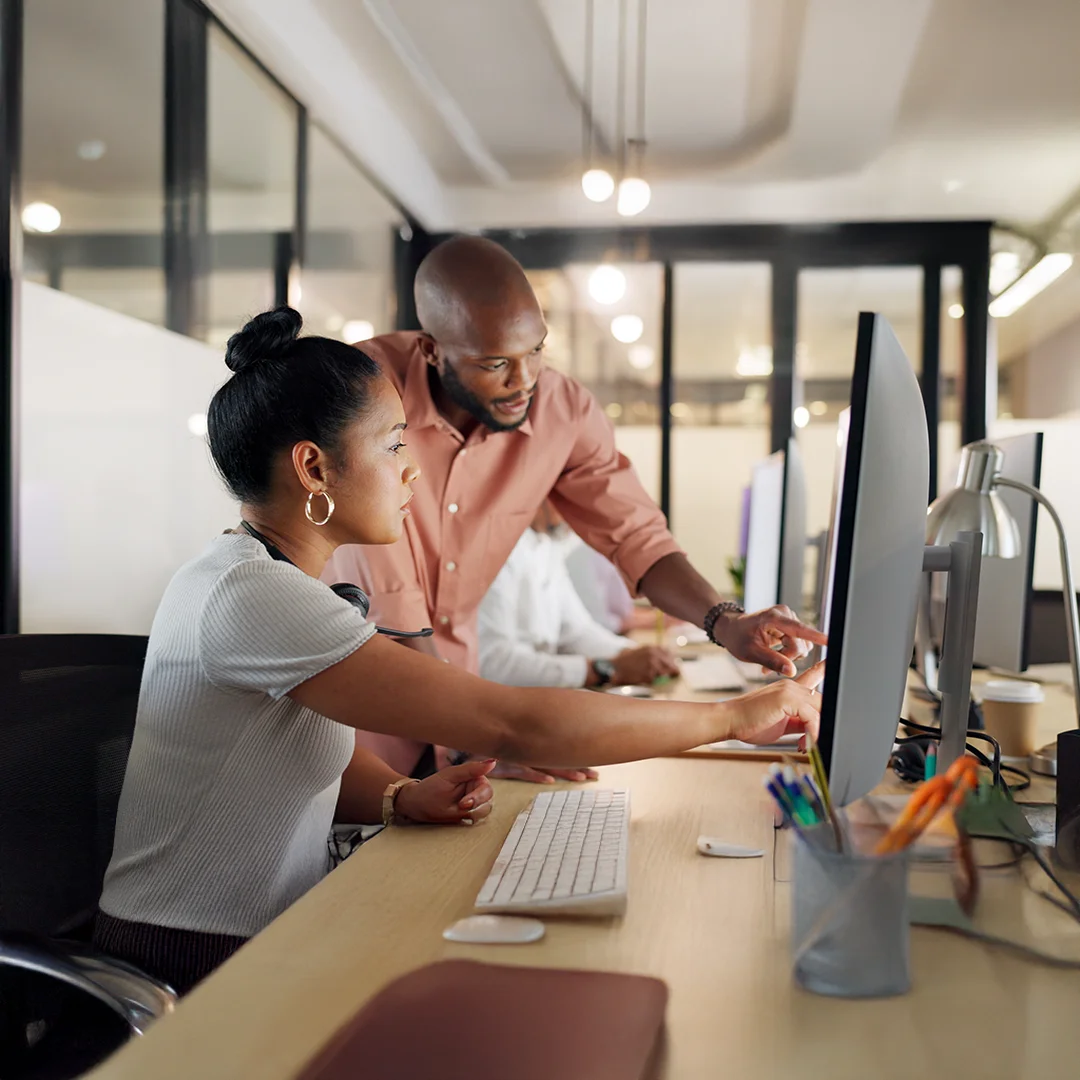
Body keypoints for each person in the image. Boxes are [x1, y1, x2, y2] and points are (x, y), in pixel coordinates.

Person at [93, 307, 822, 994]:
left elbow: (285, 757)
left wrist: (397, 796)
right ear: (314, 469)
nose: (412, 470)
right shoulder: (254, 597)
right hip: (196, 963)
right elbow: (515, 724)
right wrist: (739, 715)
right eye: (392, 445)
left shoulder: (275, 583)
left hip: (274, 928)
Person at [323, 235, 826, 781]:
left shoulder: (563, 409)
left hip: (464, 710)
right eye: (496, 364)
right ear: (431, 349)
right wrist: (480, 741)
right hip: (357, 725)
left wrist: (724, 622)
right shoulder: (363, 395)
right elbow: (393, 611)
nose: (525, 382)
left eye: (536, 350)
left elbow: (636, 536)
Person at [478, 501, 679, 691]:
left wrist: (632, 653)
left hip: (536, 694)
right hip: (503, 703)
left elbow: (577, 631)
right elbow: (493, 663)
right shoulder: (496, 548)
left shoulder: (548, 544)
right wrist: (606, 668)